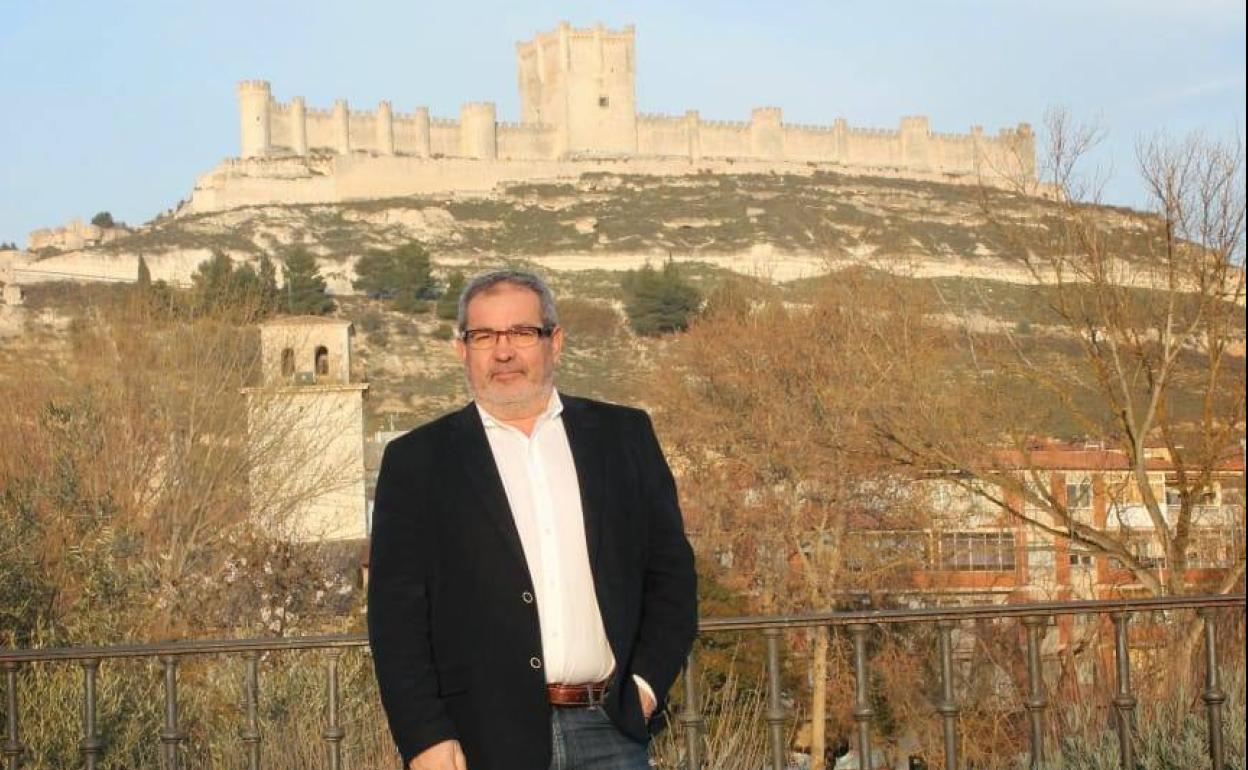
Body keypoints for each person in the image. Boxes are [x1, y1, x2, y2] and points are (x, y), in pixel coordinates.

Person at [368, 270, 698, 770]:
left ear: (555, 341)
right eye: (484, 336)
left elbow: (671, 577)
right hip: (480, 741)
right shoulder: (416, 462)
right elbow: (396, 620)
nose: (503, 352)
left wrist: (646, 688)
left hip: (610, 729)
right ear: (462, 350)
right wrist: (424, 738)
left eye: (522, 333)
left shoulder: (624, 438)